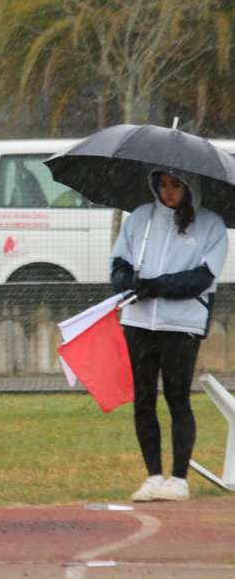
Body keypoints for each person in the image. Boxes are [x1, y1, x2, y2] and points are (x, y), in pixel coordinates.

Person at [110, 168, 228, 502]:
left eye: (176, 185)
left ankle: (178, 478)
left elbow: (202, 278)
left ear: (190, 187)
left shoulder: (212, 225)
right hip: (138, 322)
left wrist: (157, 285)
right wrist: (127, 282)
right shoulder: (139, 219)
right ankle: (152, 476)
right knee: (143, 399)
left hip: (182, 325)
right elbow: (118, 263)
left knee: (178, 398)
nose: (168, 191)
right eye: (162, 185)